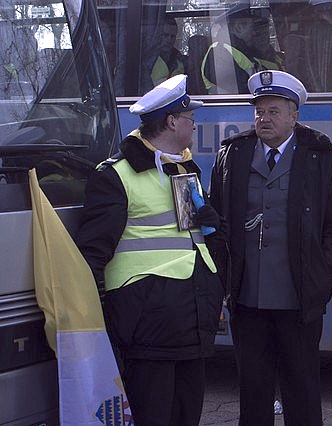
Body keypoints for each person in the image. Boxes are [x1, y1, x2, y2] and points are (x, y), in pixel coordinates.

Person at [207, 70, 332, 426]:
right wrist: (225, 273)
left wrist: (322, 270)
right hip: (247, 295)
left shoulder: (323, 156)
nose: (264, 118)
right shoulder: (234, 153)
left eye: (273, 111)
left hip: (299, 296)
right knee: (252, 390)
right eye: (259, 111)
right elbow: (218, 217)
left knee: (301, 387)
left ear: (294, 115)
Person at [76, 74, 223, 425]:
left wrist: (215, 227)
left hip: (191, 319)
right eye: (190, 119)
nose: (194, 126)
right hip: (148, 327)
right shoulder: (116, 176)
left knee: (186, 416)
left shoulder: (184, 166)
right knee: (152, 416)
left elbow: (193, 240)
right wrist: (100, 325)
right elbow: (91, 255)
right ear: (171, 122)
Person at [201, 3, 281, 94]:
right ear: (238, 27)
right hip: (230, 107)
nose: (254, 33)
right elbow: (242, 89)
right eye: (252, 27)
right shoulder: (219, 52)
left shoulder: (242, 51)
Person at [151, 18, 186, 86]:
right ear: (158, 35)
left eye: (172, 36)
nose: (169, 40)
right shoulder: (149, 58)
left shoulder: (180, 59)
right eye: (165, 35)